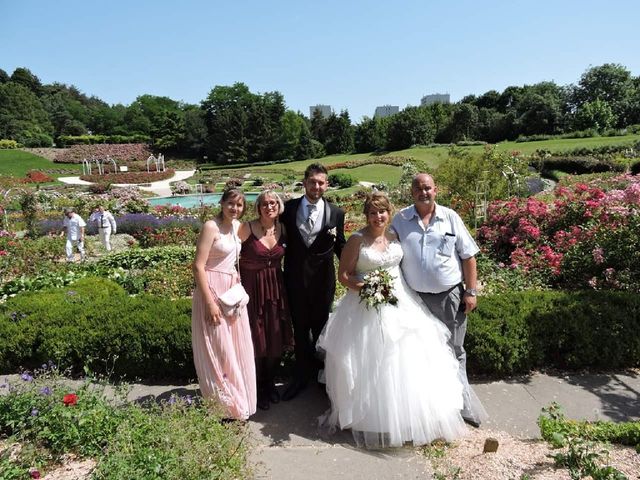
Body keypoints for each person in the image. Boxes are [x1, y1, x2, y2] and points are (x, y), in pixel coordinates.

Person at [317, 192, 467, 448]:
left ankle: (411, 415)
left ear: (389, 213)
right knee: (374, 359)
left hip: (401, 301)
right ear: (367, 215)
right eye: (373, 213)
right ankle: (373, 418)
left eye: (382, 212)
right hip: (366, 305)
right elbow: (344, 275)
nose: (378, 217)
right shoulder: (357, 240)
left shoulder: (394, 236)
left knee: (408, 357)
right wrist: (367, 288)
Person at [391, 173, 487, 428]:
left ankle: (463, 405)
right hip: (414, 301)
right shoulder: (400, 220)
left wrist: (471, 291)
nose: (424, 193)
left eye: (428, 188)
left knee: (455, 350)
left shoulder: (450, 217)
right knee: (419, 354)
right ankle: (429, 409)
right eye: (418, 189)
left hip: (448, 298)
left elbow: (468, 257)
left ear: (436, 190)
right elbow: (383, 245)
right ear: (411, 193)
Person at [280, 163, 346, 401]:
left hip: (323, 282)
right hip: (295, 280)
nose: (316, 186)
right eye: (312, 182)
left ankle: (321, 376)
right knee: (299, 330)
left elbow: (341, 246)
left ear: (326, 184)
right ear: (304, 182)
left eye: (321, 182)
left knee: (320, 330)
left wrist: (358, 269)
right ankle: (300, 376)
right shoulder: (287, 209)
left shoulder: (336, 213)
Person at [191, 189, 256, 420]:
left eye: (239, 205)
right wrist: (209, 302)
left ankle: (236, 400)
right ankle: (223, 404)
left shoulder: (238, 226)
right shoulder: (211, 226)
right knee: (218, 348)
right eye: (230, 203)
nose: (234, 208)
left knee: (234, 347)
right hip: (212, 290)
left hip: (231, 293)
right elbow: (198, 266)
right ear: (221, 203)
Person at [238, 190, 293, 411]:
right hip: (252, 288)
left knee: (275, 337)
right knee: (257, 338)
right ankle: (258, 388)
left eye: (273, 203)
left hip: (276, 289)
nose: (269, 206)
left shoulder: (283, 229)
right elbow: (231, 254)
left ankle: (270, 383)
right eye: (264, 203)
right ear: (258, 207)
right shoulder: (246, 228)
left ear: (279, 206)